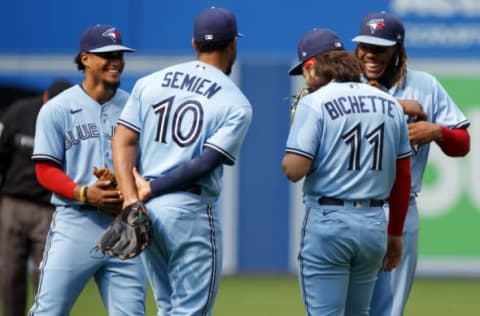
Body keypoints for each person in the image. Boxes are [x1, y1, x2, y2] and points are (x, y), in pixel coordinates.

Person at [111, 7, 252, 315]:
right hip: (189, 211)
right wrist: (151, 189)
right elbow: (205, 163)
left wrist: (132, 199)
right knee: (189, 311)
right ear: (232, 45)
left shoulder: (150, 82)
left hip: (147, 211)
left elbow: (122, 139)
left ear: (194, 44)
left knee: (167, 307)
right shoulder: (235, 101)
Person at [283, 28, 412, 315]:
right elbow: (403, 175)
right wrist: (395, 234)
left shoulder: (315, 102)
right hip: (374, 224)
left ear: (312, 66)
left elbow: (294, 170)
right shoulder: (390, 104)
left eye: (303, 71)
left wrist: (297, 137)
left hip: (330, 221)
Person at [351, 12, 471, 316]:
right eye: (365, 45)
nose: (370, 54)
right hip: (347, 207)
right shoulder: (346, 83)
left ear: (397, 50)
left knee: (388, 310)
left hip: (399, 208)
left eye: (380, 47)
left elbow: (463, 144)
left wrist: (438, 131)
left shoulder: (424, 85)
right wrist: (399, 107)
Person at [29, 25, 147, 315]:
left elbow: (146, 166)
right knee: (49, 311)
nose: (115, 61)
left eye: (119, 54)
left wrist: (127, 188)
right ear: (85, 59)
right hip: (75, 222)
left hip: (124, 224)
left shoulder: (134, 107)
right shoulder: (57, 109)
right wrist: (83, 192)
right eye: (106, 54)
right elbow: (45, 169)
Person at [0, 78, 72, 316]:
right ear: (44, 98)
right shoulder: (20, 112)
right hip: (14, 204)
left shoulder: (70, 122)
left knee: (46, 280)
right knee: (9, 275)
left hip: (49, 209)